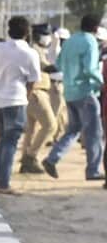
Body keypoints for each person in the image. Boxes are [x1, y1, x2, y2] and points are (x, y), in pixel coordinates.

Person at [0, 16, 40, 193]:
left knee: (3, 140)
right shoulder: (29, 53)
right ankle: (3, 183)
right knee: (10, 142)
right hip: (15, 100)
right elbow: (32, 81)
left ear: (8, 30)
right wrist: (26, 98)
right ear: (27, 32)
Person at [42, 14, 106, 181]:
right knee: (94, 133)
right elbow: (90, 69)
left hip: (69, 92)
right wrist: (102, 81)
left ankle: (52, 159)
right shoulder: (90, 41)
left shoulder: (70, 40)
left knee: (73, 130)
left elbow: (59, 64)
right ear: (95, 28)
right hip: (86, 92)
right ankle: (92, 170)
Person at [19, 25, 60, 174]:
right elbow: (46, 67)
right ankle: (30, 156)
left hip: (33, 93)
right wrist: (62, 66)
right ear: (36, 35)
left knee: (31, 130)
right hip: (37, 93)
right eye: (45, 34)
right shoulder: (35, 49)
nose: (47, 37)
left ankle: (26, 161)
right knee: (51, 126)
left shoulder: (36, 49)